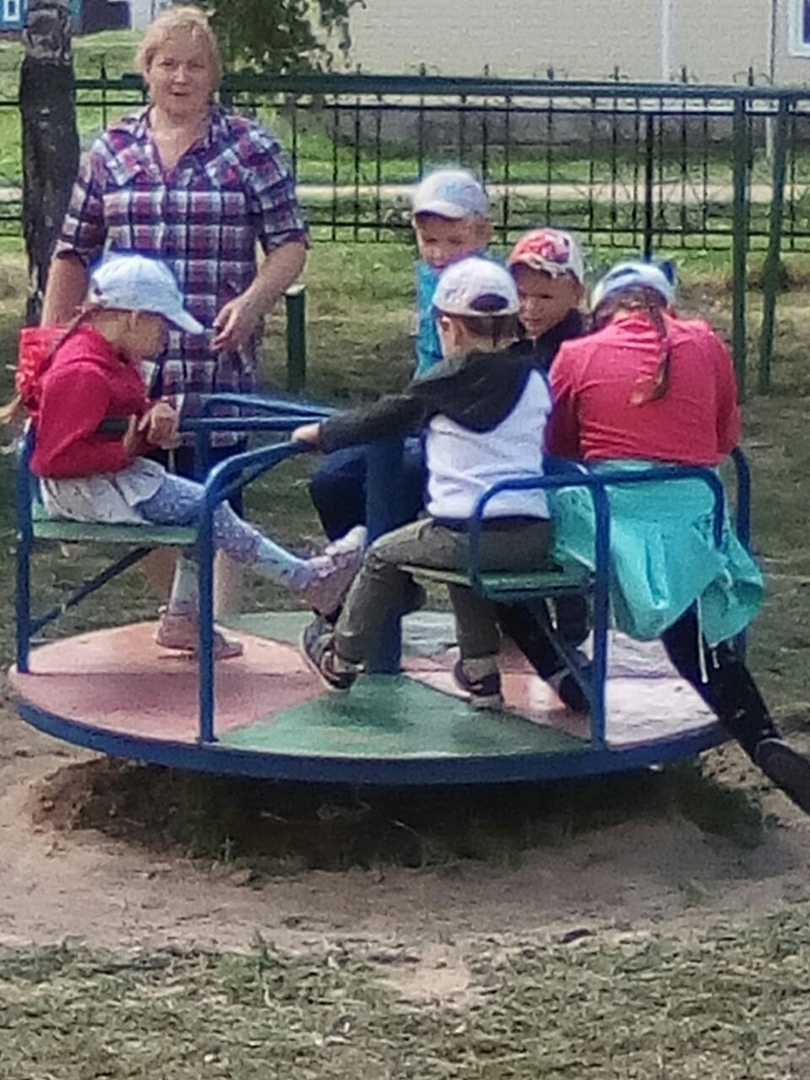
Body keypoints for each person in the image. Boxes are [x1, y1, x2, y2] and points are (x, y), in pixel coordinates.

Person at [40, 5, 308, 626]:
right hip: (123, 368)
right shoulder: (111, 150)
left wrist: (253, 301)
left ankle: (215, 627)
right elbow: (72, 253)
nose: (181, 78)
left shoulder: (250, 148)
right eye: (168, 65)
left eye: (195, 66)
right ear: (147, 70)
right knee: (142, 498)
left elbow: (290, 244)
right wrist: (52, 350)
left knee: (218, 498)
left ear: (214, 75)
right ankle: (182, 617)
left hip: (213, 354)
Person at [545, 259, 810, 813]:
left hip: (613, 516)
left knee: (527, 536)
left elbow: (559, 443)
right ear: (666, 304)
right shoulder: (706, 343)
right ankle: (762, 738)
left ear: (601, 311)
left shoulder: (576, 354)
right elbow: (723, 435)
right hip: (693, 511)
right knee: (693, 635)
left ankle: (559, 652)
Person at [22, 253, 364, 657]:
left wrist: (153, 413)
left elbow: (119, 411)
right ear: (134, 318)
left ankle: (185, 617)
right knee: (210, 506)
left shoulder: (108, 356)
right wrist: (127, 448)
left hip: (107, 481)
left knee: (203, 509)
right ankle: (307, 581)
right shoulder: (82, 371)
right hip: (86, 490)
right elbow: (53, 460)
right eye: (162, 325)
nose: (166, 338)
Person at [294, 257, 563, 711]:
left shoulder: (445, 382)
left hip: (468, 532)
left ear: (448, 327)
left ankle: (342, 657)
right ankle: (480, 673)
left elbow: (385, 417)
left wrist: (322, 434)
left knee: (383, 554)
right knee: (461, 564)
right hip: (532, 535)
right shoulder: (535, 377)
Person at [308, 167, 493, 545]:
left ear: (483, 234)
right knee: (331, 479)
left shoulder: (489, 289)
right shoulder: (430, 275)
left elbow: (472, 374)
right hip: (421, 414)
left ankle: (383, 563)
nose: (440, 253)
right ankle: (357, 564)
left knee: (398, 478)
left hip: (463, 426)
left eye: (455, 241)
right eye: (429, 240)